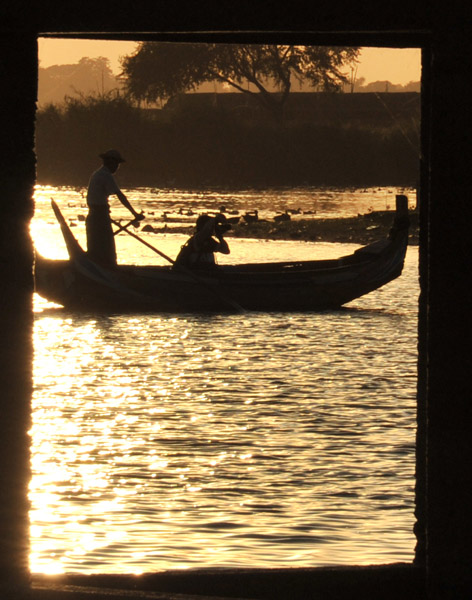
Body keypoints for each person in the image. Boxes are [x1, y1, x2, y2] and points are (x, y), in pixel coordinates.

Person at [86, 149, 144, 267]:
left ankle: (101, 267)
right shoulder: (105, 175)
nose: (117, 167)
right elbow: (120, 196)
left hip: (96, 215)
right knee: (107, 251)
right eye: (116, 164)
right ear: (110, 163)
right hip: (99, 217)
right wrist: (135, 214)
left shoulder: (97, 174)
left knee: (97, 249)